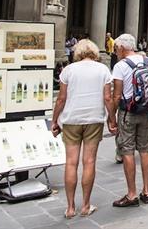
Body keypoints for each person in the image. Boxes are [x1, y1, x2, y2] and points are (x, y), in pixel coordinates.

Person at [51, 39, 114, 218]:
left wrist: (55, 120)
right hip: (94, 119)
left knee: (71, 162)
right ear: (94, 52)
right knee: (89, 162)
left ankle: (70, 208)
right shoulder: (102, 69)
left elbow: (61, 99)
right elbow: (108, 98)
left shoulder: (68, 70)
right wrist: (112, 119)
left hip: (71, 119)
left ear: (77, 52)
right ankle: (85, 205)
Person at [111, 33, 148, 207]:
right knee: (145, 150)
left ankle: (132, 194)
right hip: (147, 111)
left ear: (123, 48)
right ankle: (146, 191)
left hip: (128, 112)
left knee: (127, 152)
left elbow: (116, 95)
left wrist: (112, 118)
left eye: (116, 49)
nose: (116, 52)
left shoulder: (120, 66)